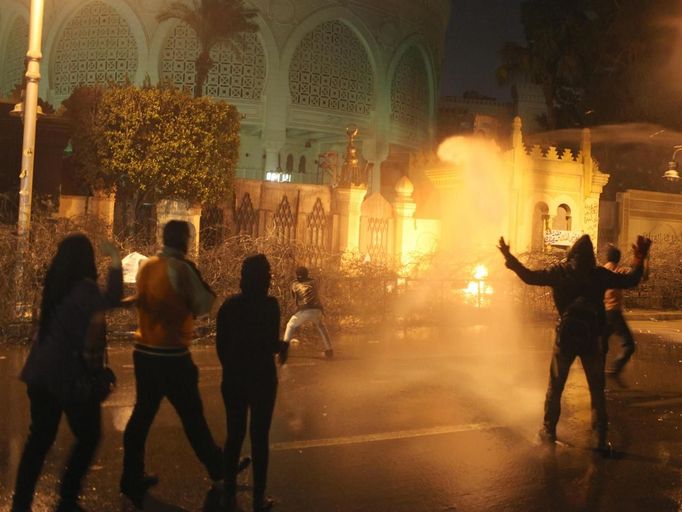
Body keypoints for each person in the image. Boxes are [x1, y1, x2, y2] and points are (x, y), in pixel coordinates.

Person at [497, 234, 651, 452]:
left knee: (556, 386)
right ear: (591, 257)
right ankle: (599, 435)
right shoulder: (599, 275)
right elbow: (631, 280)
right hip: (592, 339)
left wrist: (509, 257)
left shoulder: (560, 272)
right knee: (597, 389)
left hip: (566, 339)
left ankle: (548, 430)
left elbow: (529, 277)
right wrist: (639, 258)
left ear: (572, 254)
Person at [12, 235, 122, 512]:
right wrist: (116, 260)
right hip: (68, 378)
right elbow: (112, 297)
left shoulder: (56, 287)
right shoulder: (87, 291)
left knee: (39, 441)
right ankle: (68, 497)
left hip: (40, 375)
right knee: (89, 435)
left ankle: (21, 503)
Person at [120, 220, 223, 509]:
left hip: (144, 352)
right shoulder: (183, 269)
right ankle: (216, 466)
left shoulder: (148, 266)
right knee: (192, 416)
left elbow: (142, 299)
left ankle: (130, 476)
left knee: (141, 416)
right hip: (172, 355)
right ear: (185, 241)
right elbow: (204, 304)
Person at [216, 254, 288, 512]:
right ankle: (258, 498)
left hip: (234, 378)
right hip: (262, 380)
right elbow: (270, 344)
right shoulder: (271, 306)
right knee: (259, 438)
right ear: (265, 278)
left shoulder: (229, 305)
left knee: (234, 436)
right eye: (268, 274)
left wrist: (233, 367)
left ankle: (228, 494)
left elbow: (221, 346)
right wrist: (282, 347)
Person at [283, 266, 333, 358]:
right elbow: (318, 292)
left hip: (304, 310)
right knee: (321, 326)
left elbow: (294, 298)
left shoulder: (294, 284)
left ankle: (284, 351)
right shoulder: (314, 282)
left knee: (290, 325)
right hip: (317, 309)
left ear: (297, 275)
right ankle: (329, 350)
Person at [602, 246, 637, 376]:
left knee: (602, 344)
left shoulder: (600, 271)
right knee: (629, 345)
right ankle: (614, 370)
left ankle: (597, 374)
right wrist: (641, 259)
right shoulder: (619, 271)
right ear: (618, 258)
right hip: (614, 313)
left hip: (603, 313)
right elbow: (637, 276)